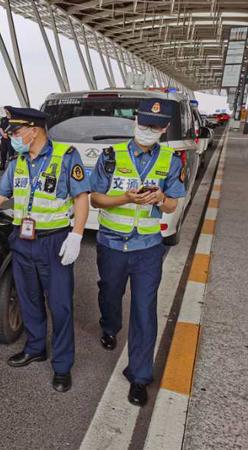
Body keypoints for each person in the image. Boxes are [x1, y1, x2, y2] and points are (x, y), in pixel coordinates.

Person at [0, 106, 90, 392]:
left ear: (35, 129)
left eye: (16, 131)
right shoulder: (17, 161)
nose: (13, 137)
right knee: (29, 300)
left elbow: (81, 198)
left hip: (54, 242)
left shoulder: (66, 157)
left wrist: (77, 235)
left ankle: (62, 366)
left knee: (61, 306)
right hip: (23, 241)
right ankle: (35, 348)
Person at [89, 98, 186, 406]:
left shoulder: (170, 160)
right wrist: (125, 199)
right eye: (144, 124)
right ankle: (109, 325)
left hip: (147, 249)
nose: (148, 130)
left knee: (145, 310)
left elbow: (173, 203)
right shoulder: (110, 156)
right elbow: (96, 199)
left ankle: (140, 376)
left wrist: (159, 199)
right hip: (112, 244)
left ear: (165, 128)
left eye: (155, 127)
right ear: (135, 121)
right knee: (110, 293)